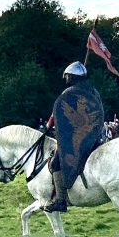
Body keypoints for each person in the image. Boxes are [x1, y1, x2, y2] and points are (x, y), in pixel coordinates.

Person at [42, 61, 105, 213]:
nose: (66, 79)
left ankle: (60, 200)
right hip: (94, 138)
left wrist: (48, 128)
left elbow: (59, 116)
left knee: (56, 163)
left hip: (77, 140)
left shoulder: (69, 94)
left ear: (72, 77)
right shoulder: (93, 92)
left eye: (68, 76)